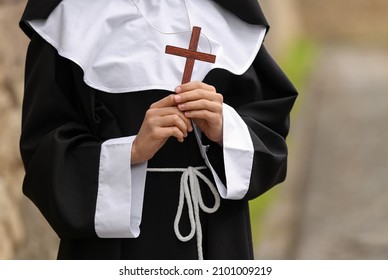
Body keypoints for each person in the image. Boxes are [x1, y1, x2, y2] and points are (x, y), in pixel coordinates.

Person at [19, 0, 297, 260]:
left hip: (217, 235)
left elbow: (270, 131)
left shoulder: (227, 18)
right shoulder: (69, 20)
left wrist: (226, 126)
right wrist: (131, 151)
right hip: (115, 249)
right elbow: (44, 151)